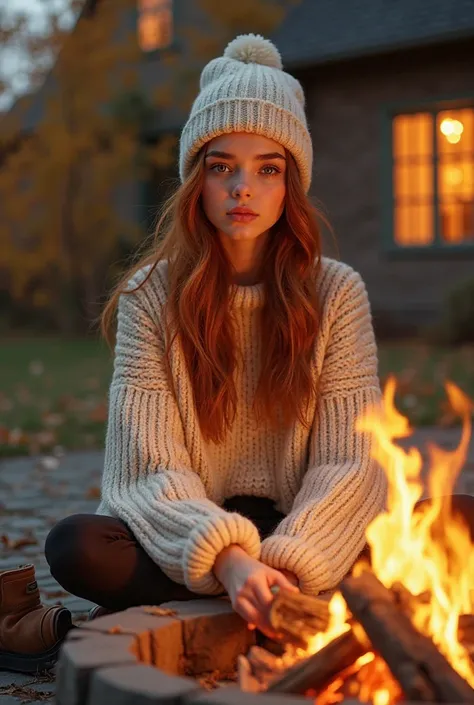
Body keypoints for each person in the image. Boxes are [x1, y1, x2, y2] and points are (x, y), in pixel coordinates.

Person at [42, 33, 474, 639]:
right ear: (197, 180)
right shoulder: (151, 296)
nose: (243, 188)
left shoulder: (335, 291)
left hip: (305, 532)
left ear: (289, 184)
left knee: (458, 519)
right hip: (195, 534)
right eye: (223, 167)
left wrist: (288, 559)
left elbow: (349, 461)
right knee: (77, 545)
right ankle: (259, 595)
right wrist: (232, 559)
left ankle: (230, 600)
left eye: (267, 168)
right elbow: (146, 470)